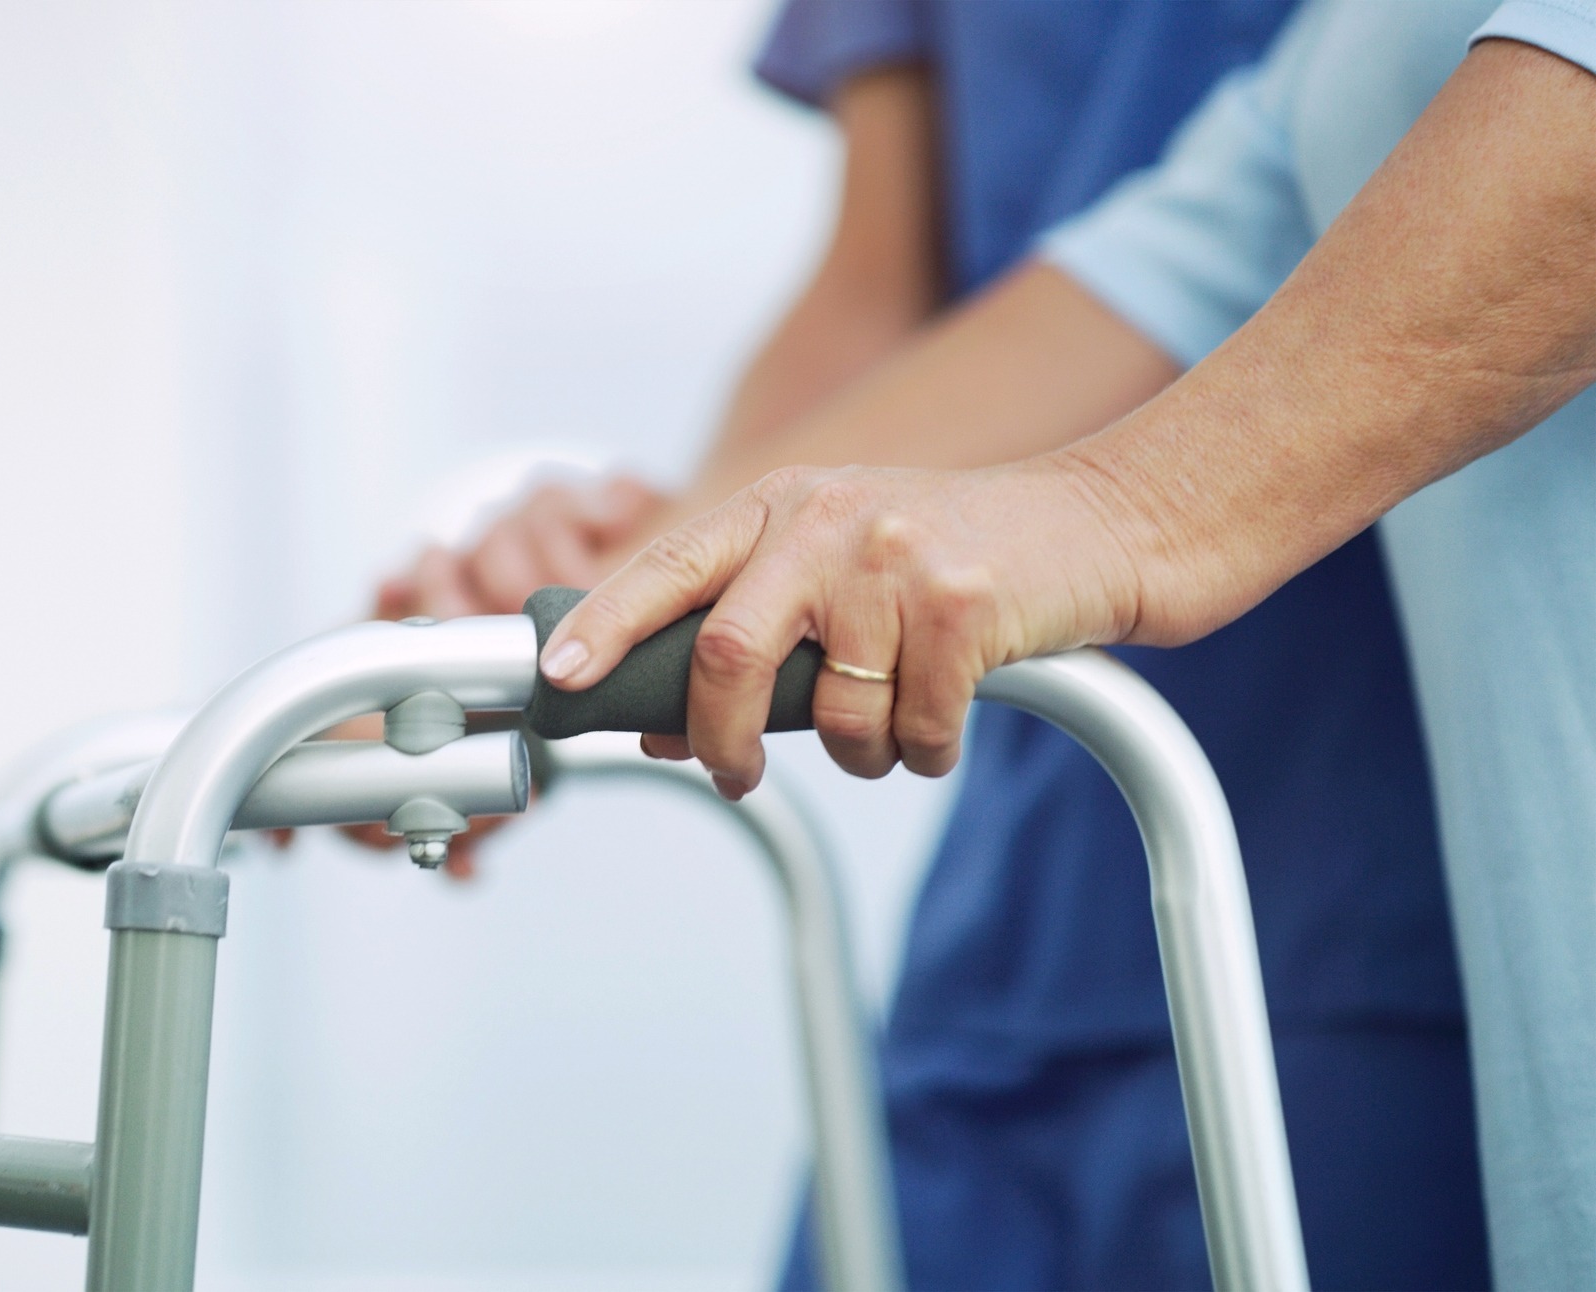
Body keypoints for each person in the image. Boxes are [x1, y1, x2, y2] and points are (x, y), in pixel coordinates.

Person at [380, 3, 1487, 1287]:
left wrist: (1127, 513)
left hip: (1386, 850)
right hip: (1030, 862)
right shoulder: (1270, 133)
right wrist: (588, 619)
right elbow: (1070, 272)